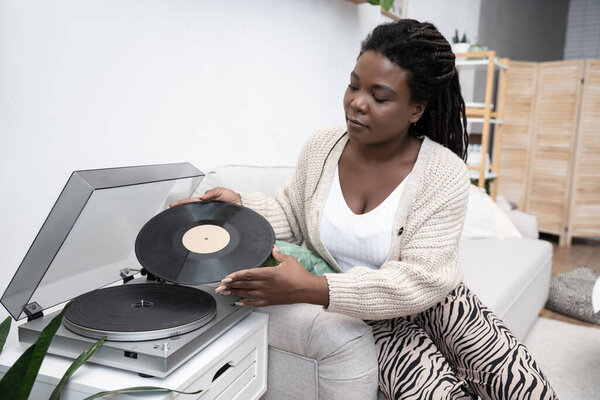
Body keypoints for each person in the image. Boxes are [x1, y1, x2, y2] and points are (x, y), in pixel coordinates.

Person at [172, 19, 557, 400]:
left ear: (416, 109)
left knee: (520, 386)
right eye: (354, 85)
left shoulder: (443, 172)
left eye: (380, 96)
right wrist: (239, 208)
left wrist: (314, 288)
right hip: (370, 315)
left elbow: (422, 279)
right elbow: (290, 212)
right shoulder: (322, 146)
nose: (357, 102)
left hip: (439, 302)